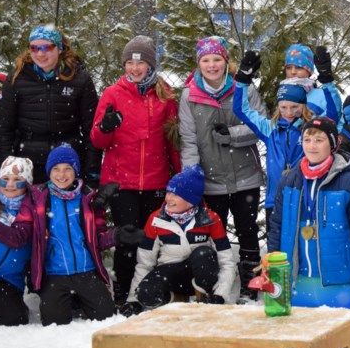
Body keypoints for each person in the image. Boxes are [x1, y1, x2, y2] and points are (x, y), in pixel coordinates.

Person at [90, 35, 181, 306]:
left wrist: (178, 176)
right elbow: (97, 141)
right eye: (129, 63)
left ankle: (150, 291)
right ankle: (122, 292)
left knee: (153, 239)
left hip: (156, 181)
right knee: (128, 239)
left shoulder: (164, 93)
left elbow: (172, 141)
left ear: (151, 65)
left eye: (139, 63)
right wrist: (105, 127)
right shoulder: (113, 93)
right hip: (122, 182)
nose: (134, 68)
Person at [178, 37, 266, 295]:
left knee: (247, 229)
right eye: (206, 60)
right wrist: (192, 176)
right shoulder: (189, 96)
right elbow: (189, 139)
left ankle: (251, 283)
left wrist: (232, 135)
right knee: (213, 233)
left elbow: (260, 127)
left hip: (245, 175)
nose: (212, 65)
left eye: (217, 59)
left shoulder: (245, 90)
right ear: (199, 63)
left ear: (227, 62)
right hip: (210, 178)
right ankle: (215, 283)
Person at [267, 117, 350, 312]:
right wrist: (274, 270)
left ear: (333, 144)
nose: (312, 146)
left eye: (319, 140)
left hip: (339, 282)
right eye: (307, 140)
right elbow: (277, 227)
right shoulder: (289, 181)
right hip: (296, 280)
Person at [232, 50, 311, 281]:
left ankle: (304, 285)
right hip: (275, 199)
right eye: (284, 107)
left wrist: (326, 82)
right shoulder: (270, 128)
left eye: (295, 108)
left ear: (303, 107)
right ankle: (278, 287)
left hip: (304, 196)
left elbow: (333, 115)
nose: (288, 113)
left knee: (303, 242)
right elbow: (241, 110)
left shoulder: (309, 130)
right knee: (276, 247)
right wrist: (242, 81)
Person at [17, 144, 116, 325]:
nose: (61, 175)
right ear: (49, 171)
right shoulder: (37, 199)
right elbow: (21, 232)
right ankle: (68, 299)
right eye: (56, 169)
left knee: (107, 317)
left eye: (67, 169)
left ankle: (80, 297)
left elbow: (99, 239)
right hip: (55, 274)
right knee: (53, 322)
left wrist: (117, 235)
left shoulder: (89, 199)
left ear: (75, 171)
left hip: (86, 271)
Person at [119, 165, 236, 315]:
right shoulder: (156, 220)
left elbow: (227, 262)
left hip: (200, 274)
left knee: (204, 254)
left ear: (191, 200)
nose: (168, 199)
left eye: (175, 195)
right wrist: (133, 301)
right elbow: (144, 263)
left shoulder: (211, 219)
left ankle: (206, 298)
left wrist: (220, 295)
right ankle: (177, 299)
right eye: (168, 192)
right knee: (145, 294)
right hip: (170, 273)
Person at [0, 25, 101, 184]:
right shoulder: (18, 77)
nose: (40, 53)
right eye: (34, 48)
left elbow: (90, 128)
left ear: (59, 48)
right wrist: (7, 166)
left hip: (67, 163)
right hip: (27, 163)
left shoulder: (79, 78)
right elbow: (4, 127)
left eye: (47, 47)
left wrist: (91, 170)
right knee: (31, 209)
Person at [0, 157, 34, 325]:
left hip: (8, 280)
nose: (10, 185)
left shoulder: (31, 209)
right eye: (5, 179)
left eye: (17, 180)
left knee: (14, 319)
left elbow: (16, 239)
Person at [283, 44, 342, 122]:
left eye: (299, 67)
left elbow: (334, 117)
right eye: (288, 68)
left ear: (309, 71)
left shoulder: (322, 96)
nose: (293, 72)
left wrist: (326, 80)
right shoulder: (282, 94)